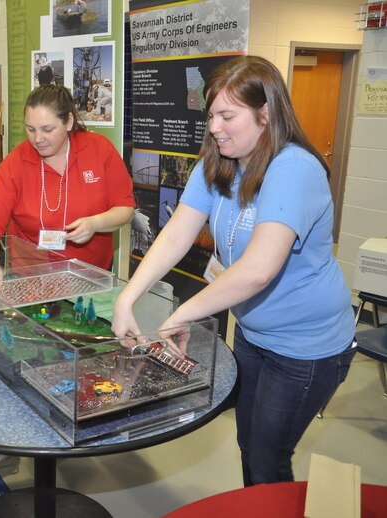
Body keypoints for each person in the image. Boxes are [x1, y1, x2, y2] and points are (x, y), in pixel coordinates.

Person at [111, 56, 356, 486]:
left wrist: (179, 317)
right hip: (253, 333)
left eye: (227, 115)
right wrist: (127, 298)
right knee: (250, 444)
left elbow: (257, 271)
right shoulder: (221, 163)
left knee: (267, 458)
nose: (214, 127)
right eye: (211, 115)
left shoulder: (293, 168)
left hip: (306, 347)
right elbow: (174, 236)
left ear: (266, 113)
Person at [0, 84, 135, 277]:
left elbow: (125, 208)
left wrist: (96, 223)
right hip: (31, 276)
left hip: (90, 275)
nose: (38, 139)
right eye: (31, 129)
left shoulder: (99, 150)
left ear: (68, 122)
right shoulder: (16, 163)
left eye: (47, 129)